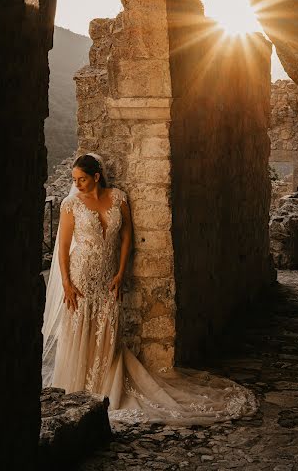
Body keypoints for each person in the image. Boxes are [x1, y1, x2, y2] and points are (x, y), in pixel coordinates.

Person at [42, 152, 258, 425]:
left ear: (96, 177)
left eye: (82, 179)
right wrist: (66, 283)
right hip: (80, 277)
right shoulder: (70, 204)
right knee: (81, 326)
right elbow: (62, 248)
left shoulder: (118, 198)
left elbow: (127, 237)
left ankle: (106, 385)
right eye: (74, 180)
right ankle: (81, 389)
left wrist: (121, 273)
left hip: (109, 277)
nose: (77, 185)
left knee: (108, 331)